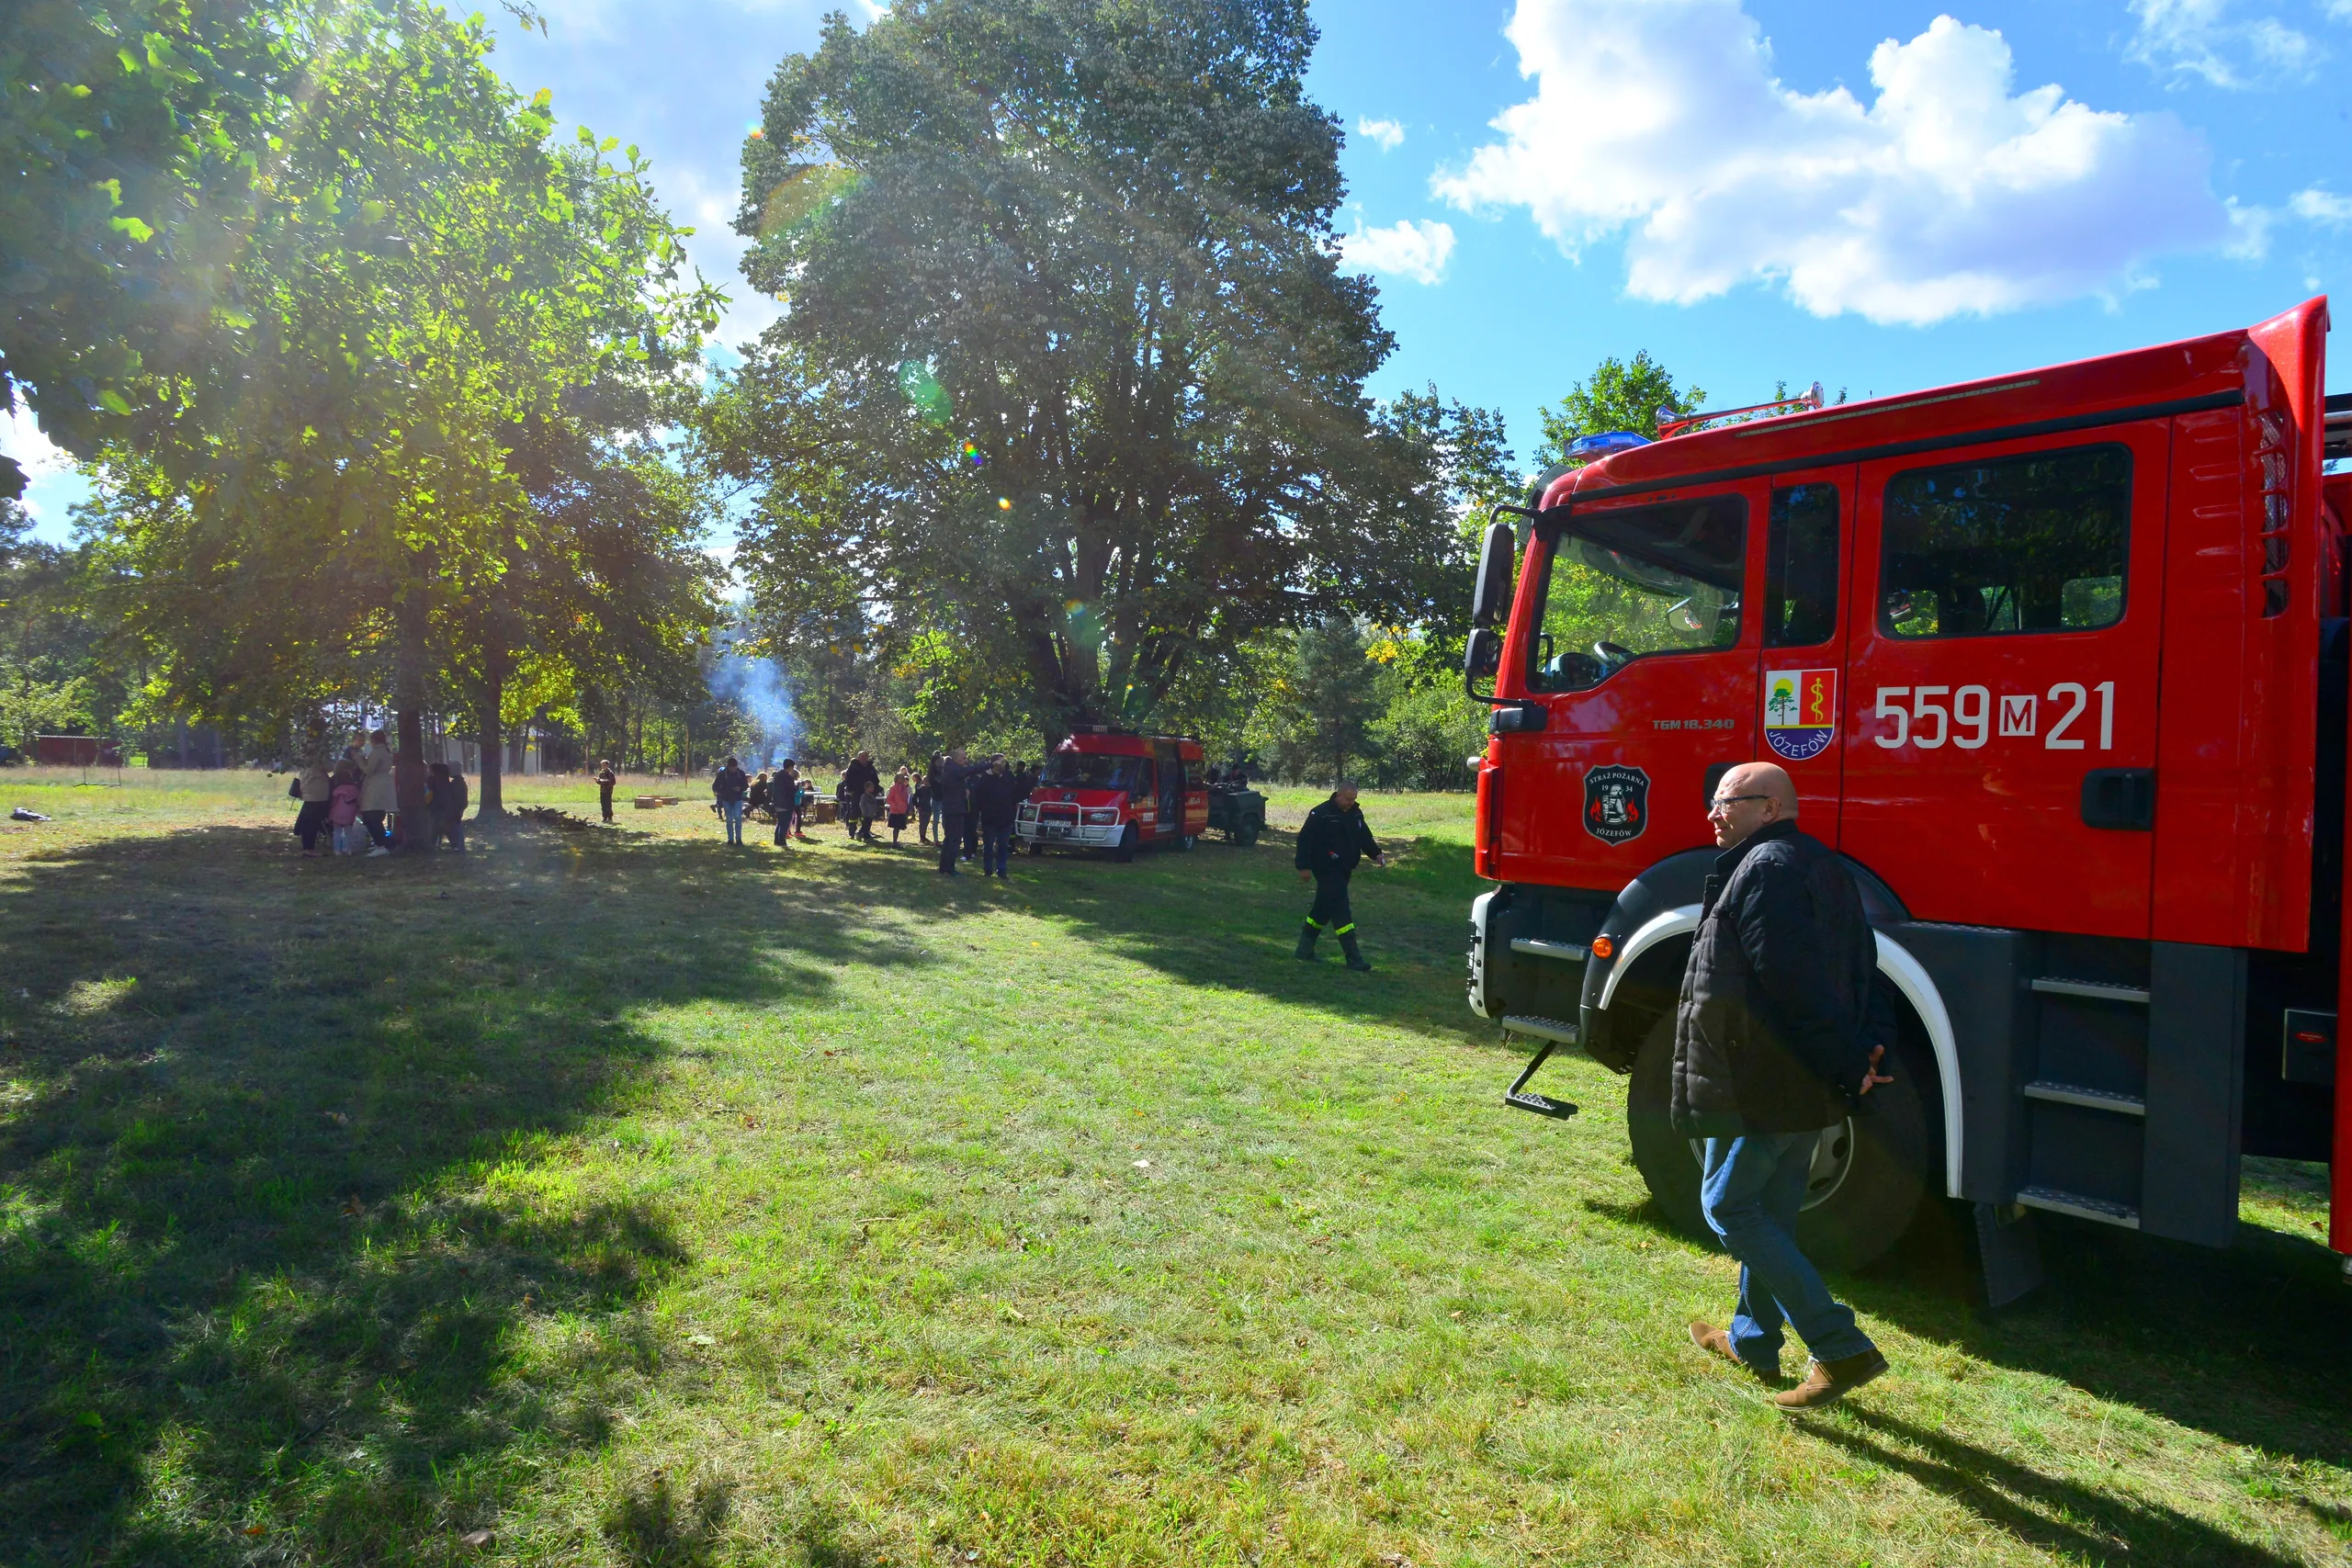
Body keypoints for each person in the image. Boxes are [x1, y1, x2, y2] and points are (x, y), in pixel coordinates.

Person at [1678, 761, 1894, 1412]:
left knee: (1728, 1206)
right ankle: (1752, 1341)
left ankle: (1837, 1343)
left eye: (1726, 802)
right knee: (1769, 1212)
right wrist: (1861, 1050)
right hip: (1783, 1077)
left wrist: (1844, 1058)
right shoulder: (1821, 864)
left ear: (1769, 808)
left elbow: (1795, 985)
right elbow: (1866, 968)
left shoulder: (1768, 868)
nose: (1713, 814)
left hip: (1764, 1080)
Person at [1294, 781, 1385, 971]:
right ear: (1339, 795)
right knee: (1341, 910)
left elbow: (1364, 837)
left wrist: (1376, 853)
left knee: (1321, 910)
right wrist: (1303, 866)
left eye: (1354, 799)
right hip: (1326, 868)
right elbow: (1304, 840)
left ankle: (1304, 950)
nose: (1351, 803)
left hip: (1344, 869)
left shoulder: (1355, 814)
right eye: (1349, 799)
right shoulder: (1321, 813)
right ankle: (1353, 957)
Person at [971, 753, 1026, 878]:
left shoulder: (1008, 776)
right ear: (994, 763)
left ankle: (1001, 870)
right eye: (1001, 762)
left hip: (1005, 817)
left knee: (1003, 845)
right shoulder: (984, 779)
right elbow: (979, 797)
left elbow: (1016, 792)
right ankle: (988, 870)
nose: (1004, 764)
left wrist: (1014, 805)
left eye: (1004, 761)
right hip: (990, 818)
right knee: (988, 846)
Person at [931, 749, 979, 875]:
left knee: (949, 839)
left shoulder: (949, 770)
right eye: (964, 758)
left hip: (951, 808)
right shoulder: (953, 770)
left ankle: (944, 867)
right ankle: (949, 868)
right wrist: (989, 764)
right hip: (955, 810)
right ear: (956, 759)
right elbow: (970, 770)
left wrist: (964, 792)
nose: (966, 760)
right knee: (954, 840)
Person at [357, 728, 396, 857]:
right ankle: (383, 843)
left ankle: (381, 844)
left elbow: (369, 769)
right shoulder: (386, 751)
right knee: (377, 815)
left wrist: (360, 761)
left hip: (375, 785)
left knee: (370, 815)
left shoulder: (377, 752)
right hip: (383, 784)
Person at [293, 752, 332, 857]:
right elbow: (328, 767)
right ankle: (309, 848)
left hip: (308, 790)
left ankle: (307, 847)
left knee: (307, 821)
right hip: (317, 792)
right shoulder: (318, 752)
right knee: (311, 822)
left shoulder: (305, 752)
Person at [426, 761, 469, 853]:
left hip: (444, 811)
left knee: (446, 829)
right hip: (452, 810)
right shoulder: (454, 783)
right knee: (452, 828)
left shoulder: (439, 783)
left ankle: (457, 847)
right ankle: (456, 847)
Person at [712, 755, 749, 845]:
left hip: (737, 799)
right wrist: (723, 791)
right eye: (731, 768)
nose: (733, 770)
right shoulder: (722, 774)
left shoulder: (741, 773)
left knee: (738, 818)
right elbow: (715, 786)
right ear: (728, 766)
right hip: (726, 799)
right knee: (729, 819)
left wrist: (739, 788)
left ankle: (739, 839)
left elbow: (746, 785)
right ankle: (730, 839)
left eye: (734, 768)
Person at [328, 762, 362, 856]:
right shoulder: (354, 789)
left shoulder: (337, 789)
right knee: (349, 832)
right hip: (349, 813)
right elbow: (357, 800)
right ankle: (349, 849)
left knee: (337, 833)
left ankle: (337, 850)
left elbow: (334, 802)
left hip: (337, 813)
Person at [887, 768, 913, 845]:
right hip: (895, 810)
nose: (902, 779)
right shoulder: (893, 788)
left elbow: (906, 799)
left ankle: (896, 842)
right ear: (896, 779)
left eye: (903, 777)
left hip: (902, 810)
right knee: (896, 827)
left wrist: (907, 808)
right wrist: (895, 806)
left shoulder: (904, 788)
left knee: (899, 827)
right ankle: (894, 843)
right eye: (900, 778)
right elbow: (889, 799)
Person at [915, 764, 937, 844]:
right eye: (925, 781)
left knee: (926, 822)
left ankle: (923, 836)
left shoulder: (931, 789)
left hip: (928, 807)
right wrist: (917, 805)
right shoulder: (920, 789)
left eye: (928, 781)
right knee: (922, 823)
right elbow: (914, 798)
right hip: (922, 808)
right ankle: (922, 837)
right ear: (923, 781)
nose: (927, 782)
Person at [595, 759, 618, 823]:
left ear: (607, 765)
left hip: (608, 791)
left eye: (604, 765)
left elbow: (613, 782)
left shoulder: (610, 773)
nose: (603, 766)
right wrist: (598, 781)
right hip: (602, 790)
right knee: (603, 804)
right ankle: (605, 817)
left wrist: (606, 782)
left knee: (608, 804)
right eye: (602, 765)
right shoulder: (601, 772)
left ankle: (610, 817)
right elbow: (600, 782)